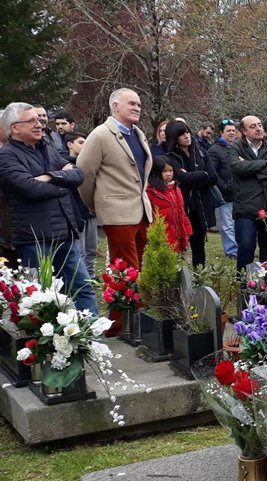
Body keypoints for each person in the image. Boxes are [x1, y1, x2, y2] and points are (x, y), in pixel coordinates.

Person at [0, 102, 98, 315]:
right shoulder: (6, 156)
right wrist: (63, 183)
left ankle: (93, 332)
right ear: (15, 127)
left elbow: (78, 175)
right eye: (31, 121)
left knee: (83, 288)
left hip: (64, 233)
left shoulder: (46, 148)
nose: (39, 124)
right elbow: (30, 189)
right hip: (35, 239)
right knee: (40, 298)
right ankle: (48, 337)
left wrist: (49, 177)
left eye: (39, 119)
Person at [77, 88, 154, 268]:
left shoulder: (138, 134)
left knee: (143, 267)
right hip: (117, 214)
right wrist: (97, 205)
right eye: (132, 104)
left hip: (142, 213)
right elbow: (84, 173)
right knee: (126, 269)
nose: (137, 108)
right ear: (115, 106)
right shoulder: (100, 135)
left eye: (139, 105)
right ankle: (127, 290)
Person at [230, 115, 267, 270]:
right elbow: (237, 167)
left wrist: (251, 169)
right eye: (253, 126)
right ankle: (244, 282)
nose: (258, 129)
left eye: (259, 125)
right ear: (244, 131)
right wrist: (264, 163)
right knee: (247, 246)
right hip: (246, 207)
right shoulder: (235, 147)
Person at [163, 119, 216, 267]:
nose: (186, 136)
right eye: (181, 134)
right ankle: (178, 276)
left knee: (199, 245)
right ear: (174, 137)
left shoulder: (200, 152)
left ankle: (200, 275)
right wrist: (202, 174)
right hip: (182, 205)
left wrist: (194, 176)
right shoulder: (171, 156)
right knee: (177, 244)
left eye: (187, 132)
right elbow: (181, 178)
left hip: (200, 205)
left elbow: (212, 177)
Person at [63, 132, 98, 278]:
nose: (85, 145)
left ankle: (91, 276)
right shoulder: (64, 164)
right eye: (81, 142)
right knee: (80, 249)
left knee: (92, 248)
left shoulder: (90, 162)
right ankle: (82, 278)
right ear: (70, 144)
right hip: (77, 212)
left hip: (91, 210)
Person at [206, 119, 241, 258]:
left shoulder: (239, 147)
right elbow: (213, 172)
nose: (232, 133)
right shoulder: (214, 150)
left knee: (239, 224)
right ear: (221, 132)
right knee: (227, 225)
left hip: (241, 194)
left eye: (233, 130)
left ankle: (240, 248)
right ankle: (231, 251)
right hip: (225, 195)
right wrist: (225, 186)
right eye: (228, 131)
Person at [146, 157, 192, 253]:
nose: (168, 174)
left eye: (170, 171)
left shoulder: (176, 189)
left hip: (178, 235)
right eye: (164, 171)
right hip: (162, 235)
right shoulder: (151, 192)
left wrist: (187, 231)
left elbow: (182, 212)